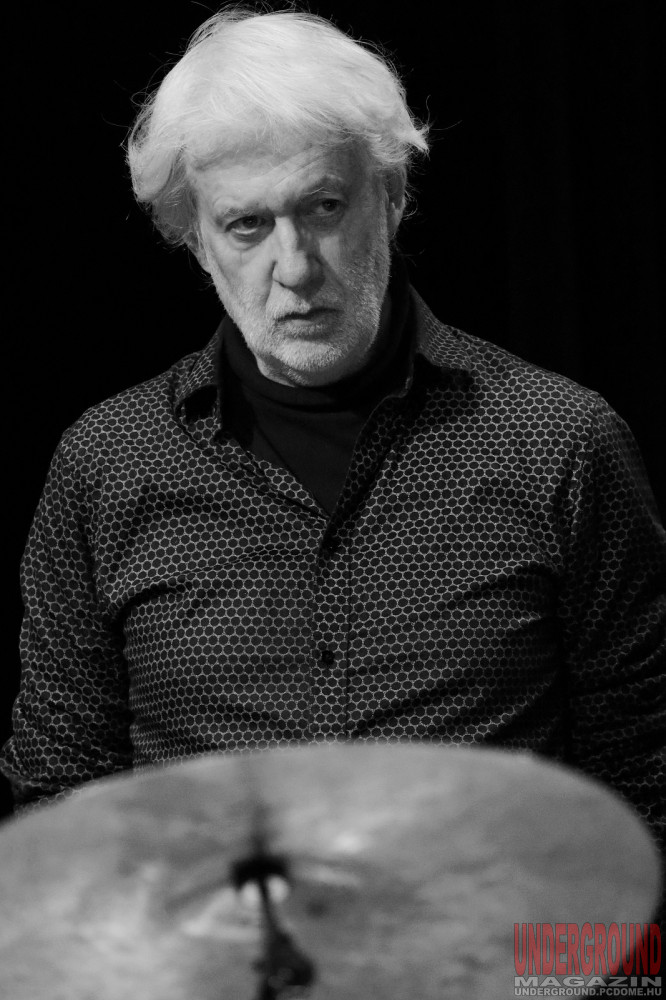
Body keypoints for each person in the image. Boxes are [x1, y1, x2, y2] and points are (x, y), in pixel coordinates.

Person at [1, 7, 664, 871]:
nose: (296, 266)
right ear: (195, 239)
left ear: (391, 198)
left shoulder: (557, 442)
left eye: (323, 206)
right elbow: (62, 795)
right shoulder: (108, 465)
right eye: (247, 225)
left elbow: (642, 789)